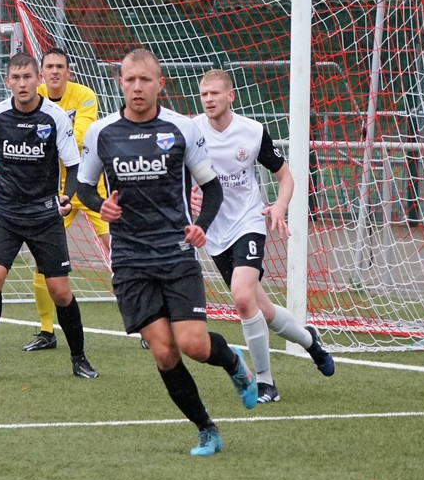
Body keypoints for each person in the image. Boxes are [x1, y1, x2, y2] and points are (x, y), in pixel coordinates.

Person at [77, 48, 257, 456]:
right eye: (130, 80)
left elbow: (212, 188)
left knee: (193, 344)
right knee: (163, 350)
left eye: (145, 80)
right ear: (120, 84)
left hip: (176, 253)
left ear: (161, 84)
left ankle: (233, 362)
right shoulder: (101, 132)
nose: (137, 87)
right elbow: (83, 188)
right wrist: (100, 205)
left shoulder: (181, 128)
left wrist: (201, 225)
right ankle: (206, 429)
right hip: (129, 259)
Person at [0, 47, 109, 352]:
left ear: (63, 73)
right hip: (33, 201)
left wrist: (51, 135)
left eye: (60, 66)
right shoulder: (15, 103)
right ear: (42, 74)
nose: (54, 71)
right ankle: (43, 332)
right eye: (50, 66)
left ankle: (143, 321)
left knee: (118, 251)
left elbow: (81, 137)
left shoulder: (81, 98)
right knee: (30, 271)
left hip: (85, 185)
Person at [192, 69, 334, 403]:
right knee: (263, 310)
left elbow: (286, 176)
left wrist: (279, 206)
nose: (209, 99)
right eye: (204, 94)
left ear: (230, 96)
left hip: (249, 222)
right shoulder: (192, 131)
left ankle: (265, 383)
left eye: (215, 93)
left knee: (242, 299)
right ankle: (310, 341)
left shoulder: (253, 132)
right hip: (214, 231)